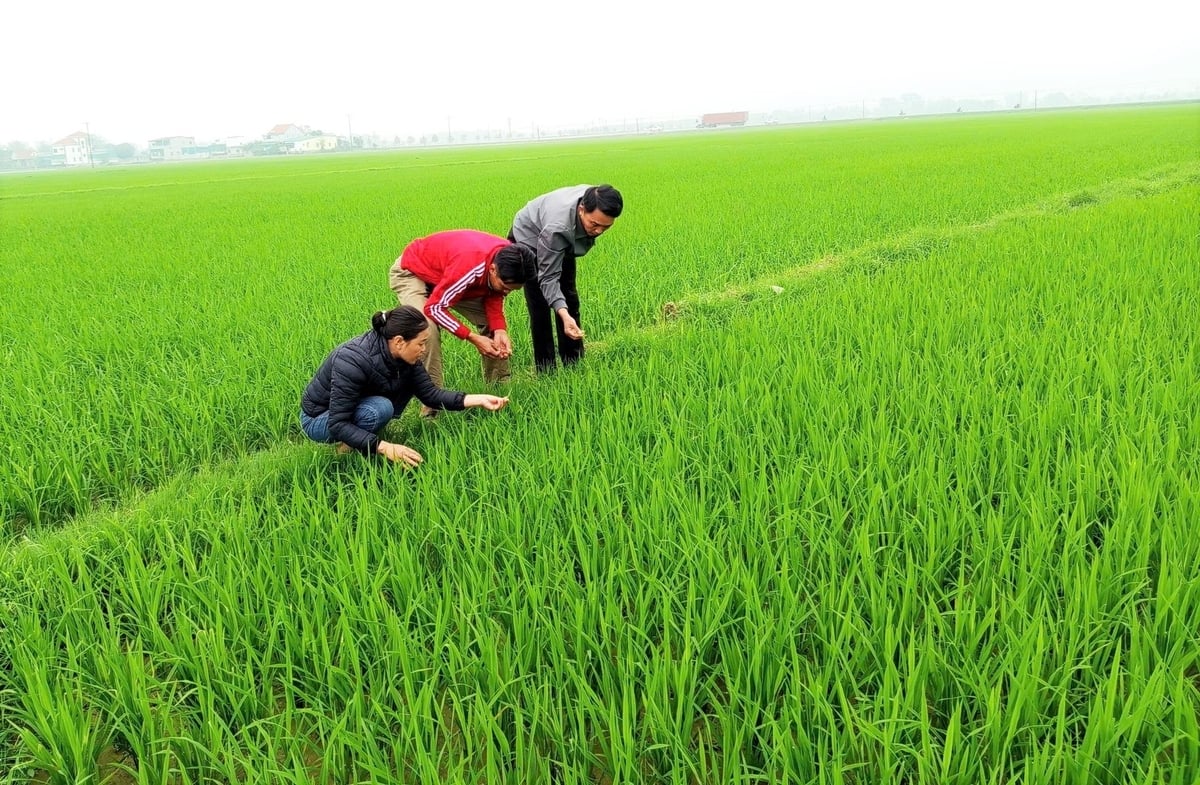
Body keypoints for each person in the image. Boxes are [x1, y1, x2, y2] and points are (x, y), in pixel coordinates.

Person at [300, 306, 509, 466]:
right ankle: (344, 453)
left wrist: (479, 399)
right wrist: (384, 447)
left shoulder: (404, 357)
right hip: (319, 418)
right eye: (421, 343)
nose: (424, 349)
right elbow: (338, 423)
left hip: (352, 407)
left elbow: (430, 395)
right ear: (399, 341)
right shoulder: (352, 360)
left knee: (382, 405)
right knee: (380, 409)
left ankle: (360, 442)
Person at [388, 230, 536, 416]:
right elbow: (434, 308)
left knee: (492, 325)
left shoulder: (510, 258)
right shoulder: (470, 267)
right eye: (506, 287)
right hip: (413, 271)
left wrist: (499, 329)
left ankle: (498, 388)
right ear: (493, 270)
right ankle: (432, 404)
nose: (507, 293)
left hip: (448, 275)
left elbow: (494, 292)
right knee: (425, 329)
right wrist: (472, 337)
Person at [509, 184, 623, 373]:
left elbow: (562, 281)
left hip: (563, 239)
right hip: (530, 238)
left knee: (569, 297)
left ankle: (574, 363)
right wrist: (562, 313)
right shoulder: (557, 229)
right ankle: (546, 370)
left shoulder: (598, 198)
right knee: (540, 307)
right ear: (581, 210)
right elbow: (548, 278)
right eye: (594, 224)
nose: (599, 231)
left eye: (606, 226)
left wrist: (566, 313)